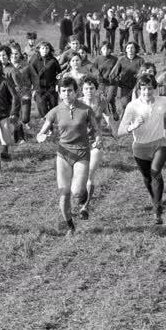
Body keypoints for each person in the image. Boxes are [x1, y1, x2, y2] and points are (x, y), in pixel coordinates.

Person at [36, 76, 101, 235]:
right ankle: (70, 225)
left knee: (77, 192)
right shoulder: (55, 111)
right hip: (64, 154)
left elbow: (97, 130)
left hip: (81, 153)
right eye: (63, 91)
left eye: (70, 91)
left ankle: (84, 194)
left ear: (75, 91)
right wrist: (41, 137)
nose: (66, 94)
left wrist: (98, 139)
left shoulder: (85, 109)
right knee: (64, 193)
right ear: (59, 92)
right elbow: (40, 133)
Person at [118, 74, 166, 225]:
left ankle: (157, 210)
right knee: (147, 178)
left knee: (155, 172)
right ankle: (155, 201)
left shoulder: (162, 101)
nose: (147, 92)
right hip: (140, 148)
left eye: (150, 89)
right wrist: (133, 126)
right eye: (143, 89)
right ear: (139, 89)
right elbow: (119, 131)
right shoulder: (132, 106)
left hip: (160, 143)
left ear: (155, 88)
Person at [78, 76, 114, 218]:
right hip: (78, 144)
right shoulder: (76, 103)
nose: (89, 91)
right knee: (79, 176)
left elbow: (108, 117)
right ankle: (81, 195)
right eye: (86, 88)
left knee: (89, 174)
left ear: (96, 88)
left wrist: (113, 128)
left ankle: (85, 207)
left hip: (96, 143)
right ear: (81, 90)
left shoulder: (102, 102)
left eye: (91, 88)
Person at [29, 41, 60, 118]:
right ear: (39, 49)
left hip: (52, 88)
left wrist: (57, 84)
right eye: (43, 48)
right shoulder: (34, 60)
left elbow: (59, 72)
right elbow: (31, 74)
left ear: (49, 49)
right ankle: (47, 124)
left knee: (54, 107)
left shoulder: (53, 60)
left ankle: (52, 123)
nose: (45, 50)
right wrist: (33, 88)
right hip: (39, 89)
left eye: (47, 48)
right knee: (42, 108)